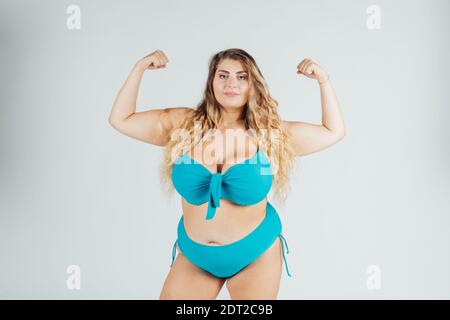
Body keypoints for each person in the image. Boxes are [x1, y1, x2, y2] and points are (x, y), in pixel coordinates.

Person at [108, 48, 346, 299]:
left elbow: (333, 131)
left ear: (253, 84)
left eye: (242, 77)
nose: (231, 83)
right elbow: (121, 119)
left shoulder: (271, 133)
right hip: (195, 256)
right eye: (223, 76)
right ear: (211, 82)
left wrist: (323, 80)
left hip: (255, 254)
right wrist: (139, 69)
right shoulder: (184, 125)